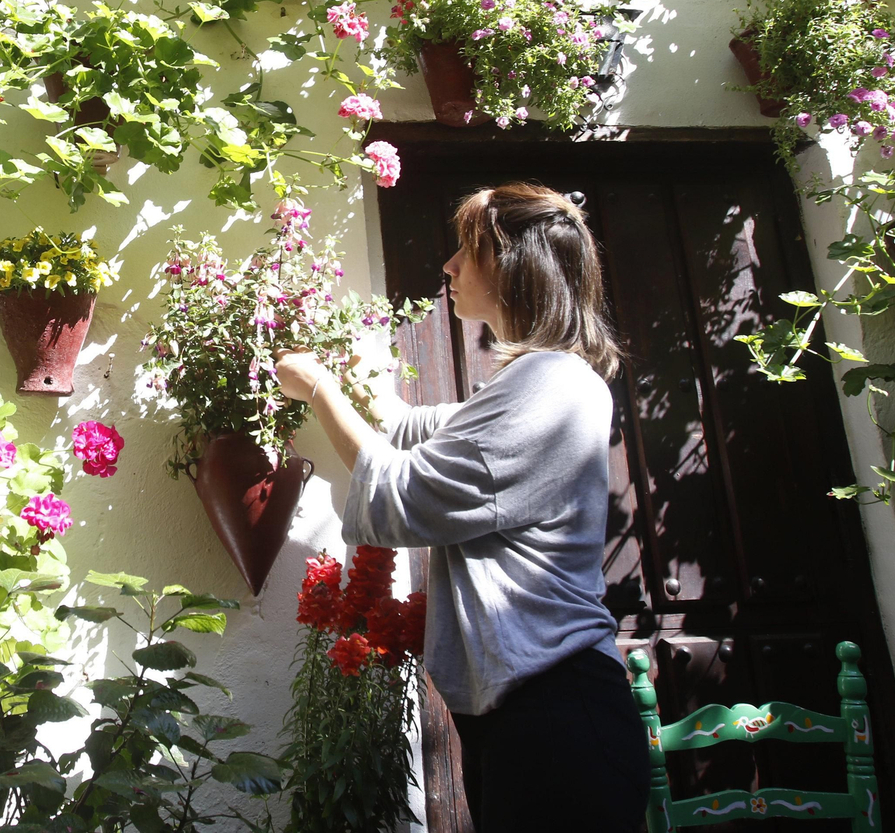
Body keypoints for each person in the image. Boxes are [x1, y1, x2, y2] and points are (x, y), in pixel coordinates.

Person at [272, 182, 649, 833]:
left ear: (511, 264)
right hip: (528, 720)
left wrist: (321, 389)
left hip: (558, 718)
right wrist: (327, 342)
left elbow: (403, 492)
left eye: (465, 249)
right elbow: (404, 426)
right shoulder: (525, 386)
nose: (447, 265)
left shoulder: (551, 386)